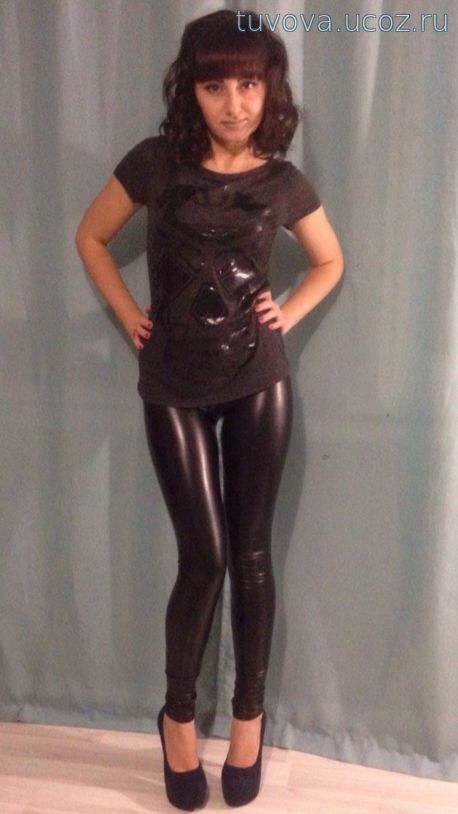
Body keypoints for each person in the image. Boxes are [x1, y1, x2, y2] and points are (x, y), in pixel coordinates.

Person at [75, 8, 344, 810]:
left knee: (252, 558)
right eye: (216, 85)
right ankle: (178, 719)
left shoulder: (282, 181)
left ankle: (249, 720)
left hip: (259, 382)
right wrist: (130, 315)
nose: (235, 102)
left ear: (270, 89)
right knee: (205, 559)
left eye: (249, 84)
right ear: (190, 90)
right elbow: (90, 238)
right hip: (172, 384)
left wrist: (284, 315)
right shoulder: (155, 163)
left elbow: (329, 261)